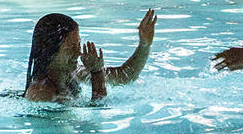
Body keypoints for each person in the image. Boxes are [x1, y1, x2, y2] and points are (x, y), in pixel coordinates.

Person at [24, 9, 156, 102]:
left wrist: (144, 45)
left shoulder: (75, 72)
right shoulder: (42, 93)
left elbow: (124, 77)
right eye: (71, 47)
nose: (79, 53)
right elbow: (96, 115)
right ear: (50, 51)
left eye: (78, 45)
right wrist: (97, 73)